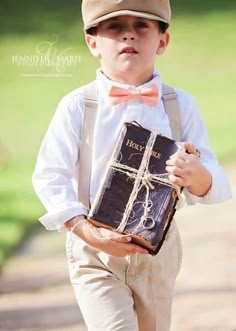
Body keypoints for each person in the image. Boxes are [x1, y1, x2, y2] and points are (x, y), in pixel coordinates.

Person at [32, 0, 232, 330]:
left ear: (162, 41)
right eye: (114, 27)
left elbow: (211, 175)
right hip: (95, 250)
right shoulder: (76, 106)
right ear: (92, 42)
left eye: (142, 26)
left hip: (158, 251)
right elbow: (50, 175)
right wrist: (85, 230)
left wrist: (197, 174)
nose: (128, 35)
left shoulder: (180, 105)